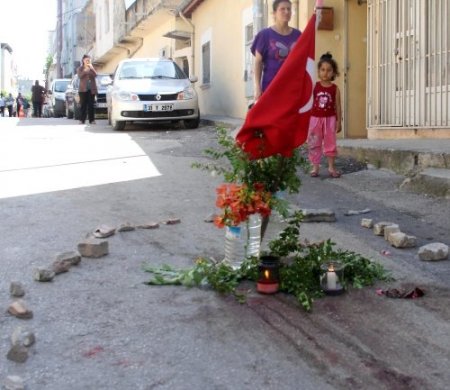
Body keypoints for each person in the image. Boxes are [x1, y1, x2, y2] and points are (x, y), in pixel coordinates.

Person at [251, 0, 301, 100]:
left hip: (292, 89)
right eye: (282, 9)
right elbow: (258, 62)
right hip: (270, 88)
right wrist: (257, 86)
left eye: (289, 9)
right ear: (274, 13)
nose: (286, 12)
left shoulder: (298, 35)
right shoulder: (264, 35)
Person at [307, 52, 342, 178]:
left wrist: (339, 122)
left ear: (333, 72)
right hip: (315, 119)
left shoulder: (335, 89)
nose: (325, 73)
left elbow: (337, 106)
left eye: (328, 70)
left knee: (330, 142)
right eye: (322, 70)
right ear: (318, 71)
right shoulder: (314, 86)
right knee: (314, 142)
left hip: (330, 120)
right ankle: (315, 167)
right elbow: (308, 101)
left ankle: (331, 167)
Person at [77, 54, 98, 124]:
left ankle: (92, 120)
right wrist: (85, 70)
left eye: (89, 60)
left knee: (91, 105)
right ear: (83, 61)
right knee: (83, 105)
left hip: (91, 89)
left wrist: (91, 68)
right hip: (83, 89)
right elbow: (80, 76)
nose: (88, 61)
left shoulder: (92, 68)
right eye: (86, 60)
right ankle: (82, 120)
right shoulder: (80, 68)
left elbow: (95, 75)